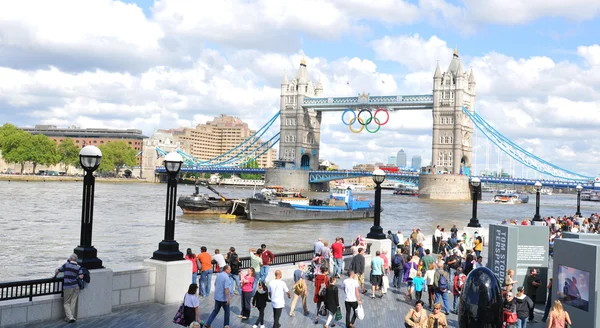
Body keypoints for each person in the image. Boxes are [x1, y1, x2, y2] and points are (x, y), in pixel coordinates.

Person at [55, 253, 84, 323]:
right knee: (73, 302)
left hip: (68, 286)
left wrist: (55, 276)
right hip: (76, 286)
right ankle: (71, 317)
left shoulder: (66, 265)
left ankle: (70, 317)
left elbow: (58, 270)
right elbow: (81, 276)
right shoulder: (78, 267)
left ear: (70, 258)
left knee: (66, 302)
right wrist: (75, 277)